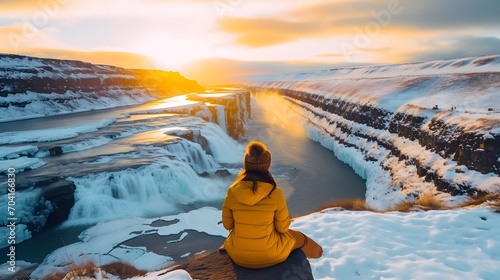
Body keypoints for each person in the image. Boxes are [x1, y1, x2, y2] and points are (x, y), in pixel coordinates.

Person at [221, 141, 323, 269]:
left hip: (238, 256)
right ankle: (319, 253)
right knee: (299, 238)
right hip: (270, 256)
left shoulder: (233, 191)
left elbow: (227, 225)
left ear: (246, 164)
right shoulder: (274, 192)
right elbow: (282, 228)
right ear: (266, 166)